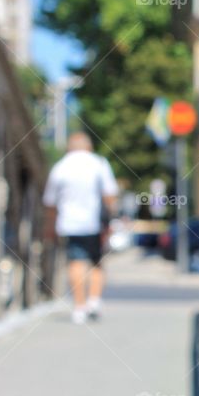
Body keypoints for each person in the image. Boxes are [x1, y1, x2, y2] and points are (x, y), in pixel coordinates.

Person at [43, 132, 119, 324]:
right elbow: (110, 195)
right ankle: (94, 301)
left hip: (69, 223)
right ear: (89, 146)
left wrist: (50, 226)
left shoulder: (60, 167)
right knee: (96, 263)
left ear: (69, 147)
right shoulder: (98, 163)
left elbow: (50, 202)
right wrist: (111, 220)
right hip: (95, 223)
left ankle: (79, 307)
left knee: (76, 263)